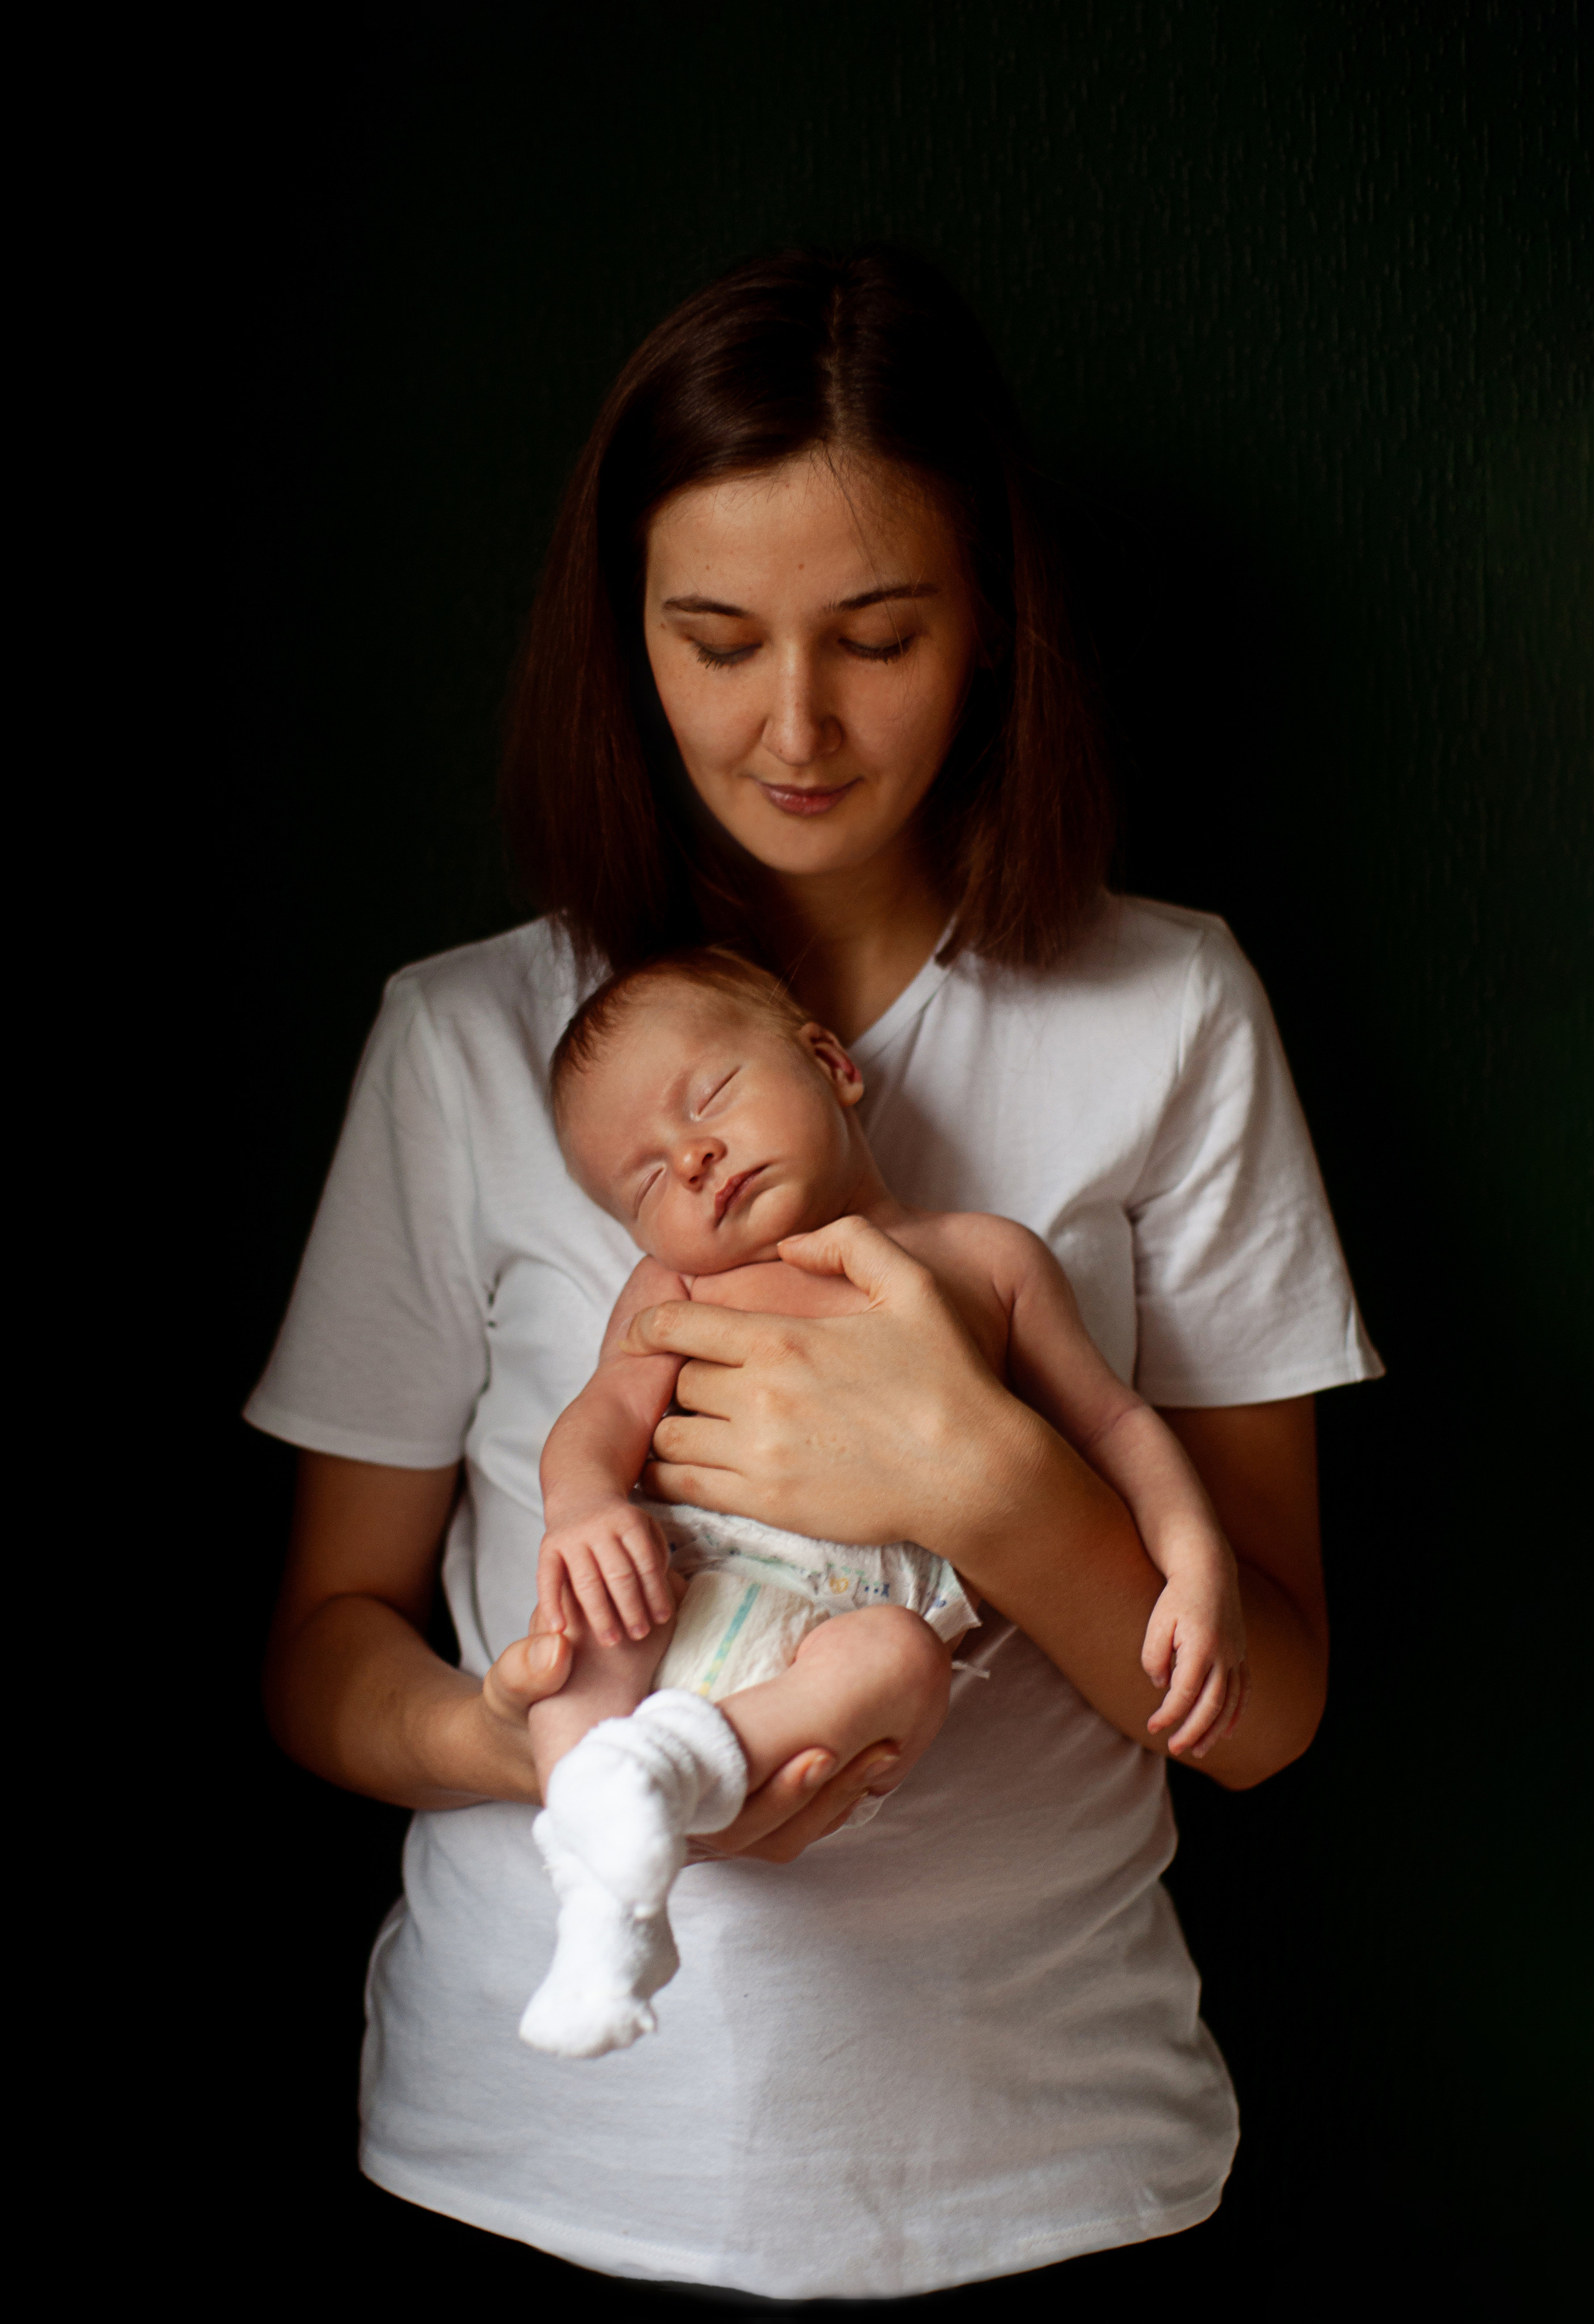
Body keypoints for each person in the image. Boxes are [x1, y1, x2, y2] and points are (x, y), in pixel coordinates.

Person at [253, 247, 1381, 2302]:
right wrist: (548, 1756)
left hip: (1045, 2168)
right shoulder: (470, 1042)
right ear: (624, 641)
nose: (795, 723)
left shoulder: (1169, 1011)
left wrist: (978, 1481)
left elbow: (1266, 1711)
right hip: (527, 2166)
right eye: (713, 637)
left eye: (879, 634)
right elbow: (321, 1641)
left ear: (994, 637)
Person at [518, 946, 1249, 2059]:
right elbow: (599, 1420)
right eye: (649, 1180)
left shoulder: (986, 1259)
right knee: (582, 1640)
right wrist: (580, 1507)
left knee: (904, 1664)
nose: (695, 1155)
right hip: (688, 1574)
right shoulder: (676, 1286)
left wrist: (1196, 1561)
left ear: (829, 1063)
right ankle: (598, 1889)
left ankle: (655, 1782)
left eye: (707, 1098)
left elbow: (1113, 1425)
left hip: (852, 1622)